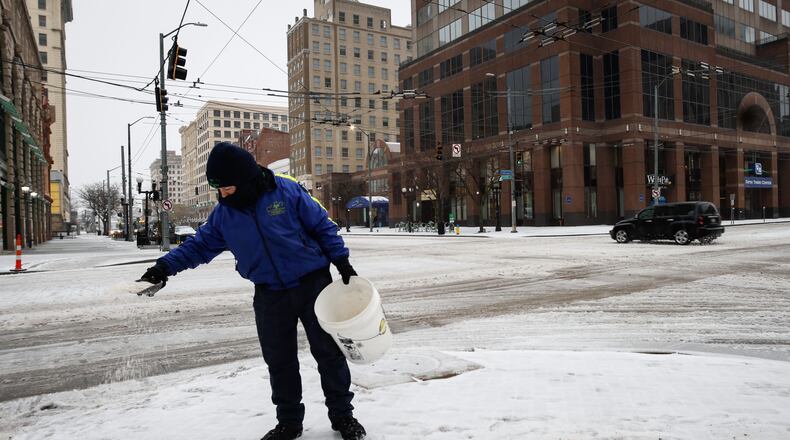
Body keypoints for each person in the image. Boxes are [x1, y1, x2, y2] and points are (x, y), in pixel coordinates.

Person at [139, 142, 366, 440]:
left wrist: (342, 262)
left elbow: (323, 226)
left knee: (329, 354)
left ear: (245, 179)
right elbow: (199, 246)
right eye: (219, 189)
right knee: (279, 361)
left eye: (227, 188)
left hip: (313, 283)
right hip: (269, 293)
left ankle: (343, 416)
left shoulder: (286, 191)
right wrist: (162, 268)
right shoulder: (224, 214)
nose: (223, 195)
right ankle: (289, 423)